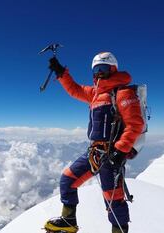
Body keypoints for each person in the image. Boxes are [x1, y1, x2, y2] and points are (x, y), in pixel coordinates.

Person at [43, 52, 144, 233]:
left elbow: (135, 125)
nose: (98, 74)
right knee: (67, 179)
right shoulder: (95, 94)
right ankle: (68, 221)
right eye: (96, 70)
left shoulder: (123, 92)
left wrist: (119, 151)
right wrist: (60, 72)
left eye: (103, 69)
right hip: (95, 152)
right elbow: (75, 89)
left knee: (113, 199)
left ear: (113, 69)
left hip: (112, 154)